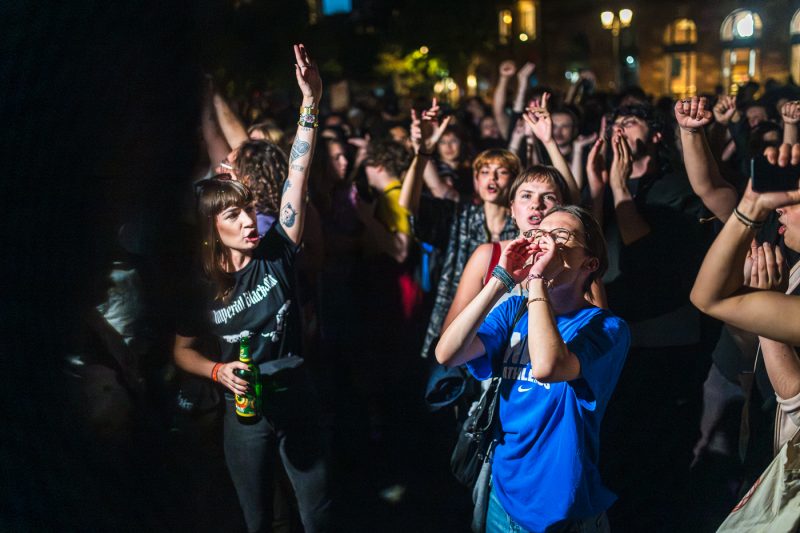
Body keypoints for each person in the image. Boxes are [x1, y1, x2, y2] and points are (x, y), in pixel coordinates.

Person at [173, 44, 331, 533]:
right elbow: (182, 351)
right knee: (259, 519)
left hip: (297, 400)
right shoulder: (200, 284)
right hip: (243, 418)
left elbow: (298, 174)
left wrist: (311, 102)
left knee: (318, 514)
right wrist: (218, 371)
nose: (249, 222)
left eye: (249, 210)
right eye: (234, 215)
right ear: (210, 228)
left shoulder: (278, 250)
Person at [436, 205, 630, 533]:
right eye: (541, 233)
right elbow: (448, 353)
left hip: (557, 509)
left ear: (590, 263)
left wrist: (537, 278)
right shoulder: (514, 310)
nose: (547, 242)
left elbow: (547, 367)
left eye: (562, 236)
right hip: (502, 493)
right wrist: (502, 279)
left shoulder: (607, 327)